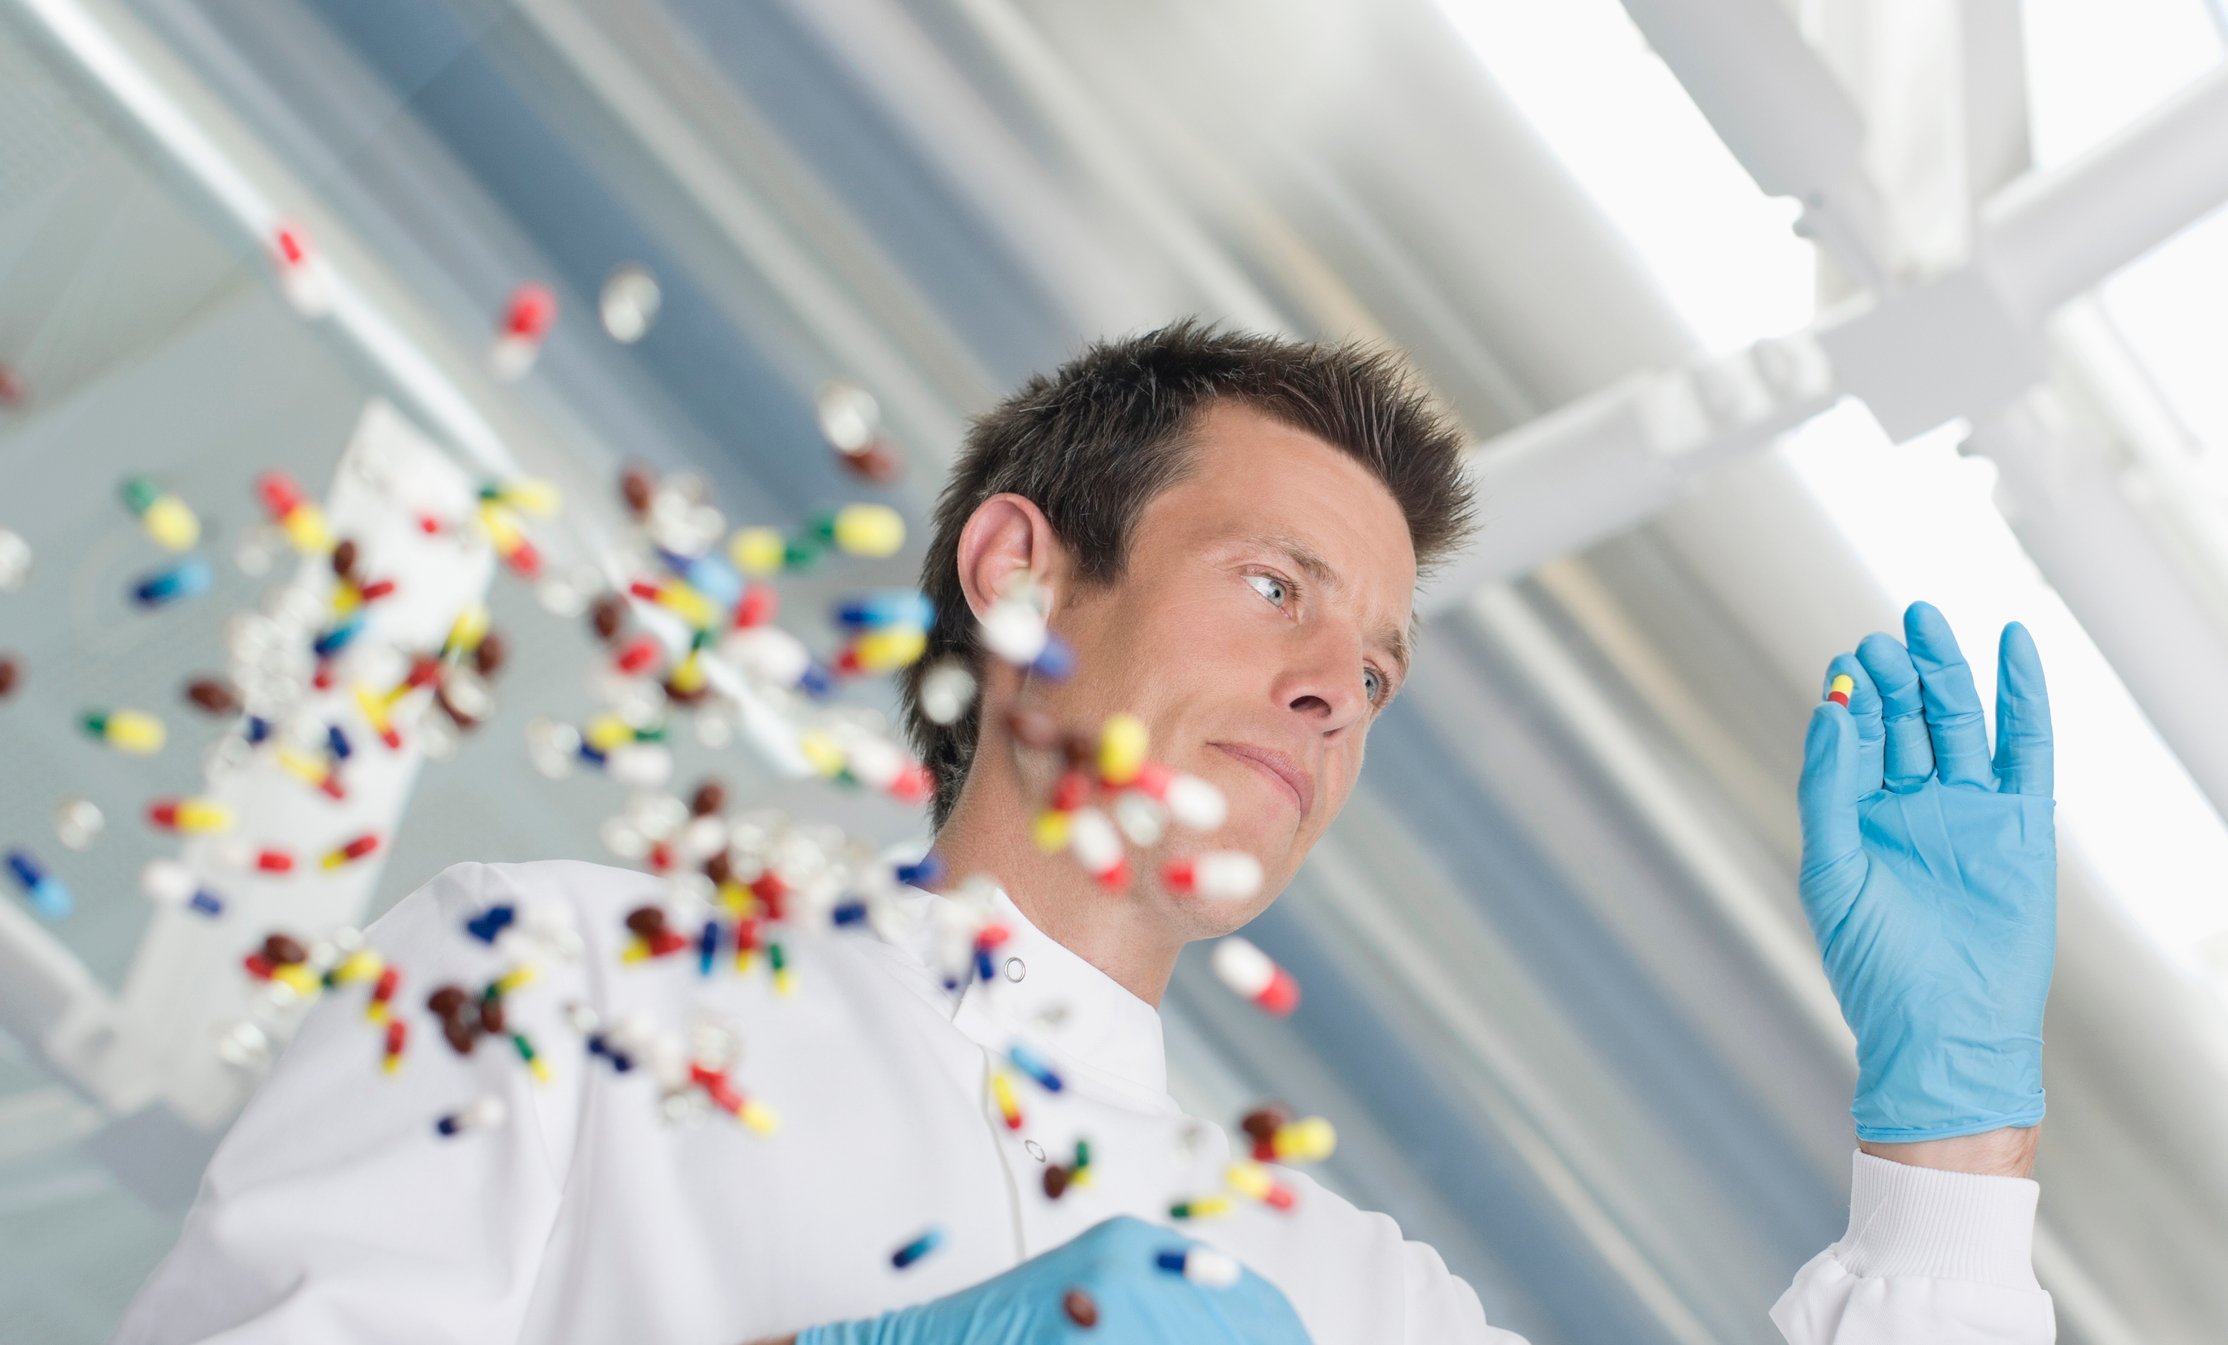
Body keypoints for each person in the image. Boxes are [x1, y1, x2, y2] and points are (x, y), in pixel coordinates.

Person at [114, 321, 2058, 1343]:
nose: (1332, 691)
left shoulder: (1348, 1295)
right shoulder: (541, 985)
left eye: (1378, 670)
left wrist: (1948, 1143)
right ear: (1023, 580)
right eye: (1281, 590)